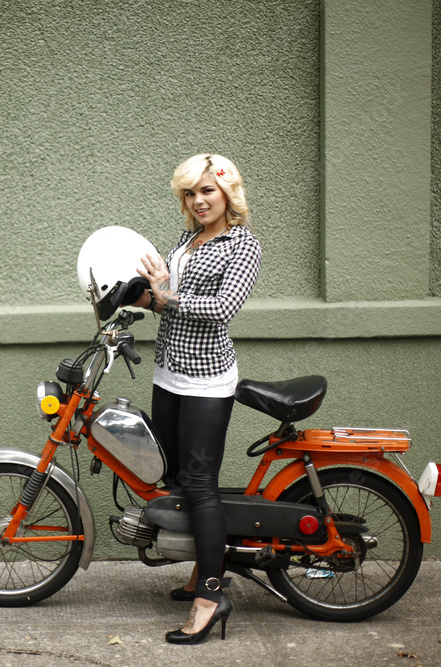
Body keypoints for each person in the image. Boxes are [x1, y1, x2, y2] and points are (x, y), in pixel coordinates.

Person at [131, 153, 262, 644]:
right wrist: (149, 294)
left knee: (201, 484)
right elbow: (172, 297)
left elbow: (223, 309)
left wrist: (165, 299)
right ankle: (200, 572)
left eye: (207, 190)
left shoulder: (242, 246)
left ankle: (211, 595)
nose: (198, 200)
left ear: (228, 192)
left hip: (206, 379)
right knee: (176, 476)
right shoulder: (188, 239)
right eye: (190, 193)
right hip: (169, 372)